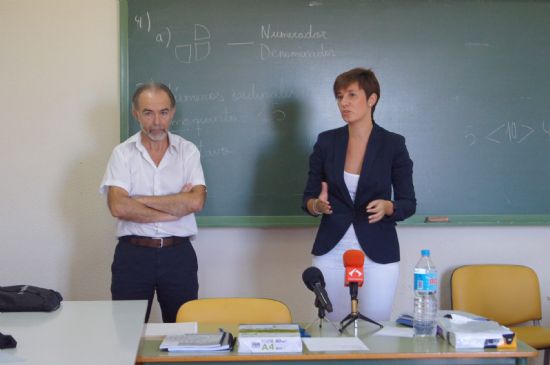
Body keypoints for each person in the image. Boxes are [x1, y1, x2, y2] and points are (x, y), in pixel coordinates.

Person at [302, 68, 416, 322]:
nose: (344, 102)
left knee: (375, 328)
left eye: (352, 95)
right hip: (331, 249)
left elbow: (409, 203)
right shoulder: (326, 142)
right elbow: (308, 198)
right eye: (340, 96)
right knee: (331, 328)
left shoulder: (393, 144)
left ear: (372, 99)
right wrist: (317, 205)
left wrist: (388, 207)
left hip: (378, 251)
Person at [100, 82, 206, 322]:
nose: (157, 122)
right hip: (133, 256)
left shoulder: (188, 151)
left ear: (172, 112)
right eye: (148, 112)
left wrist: (139, 200)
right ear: (136, 114)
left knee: (183, 333)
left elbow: (197, 202)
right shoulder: (122, 153)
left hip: (178, 255)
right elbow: (118, 206)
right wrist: (175, 207)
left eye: (163, 112)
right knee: (127, 336)